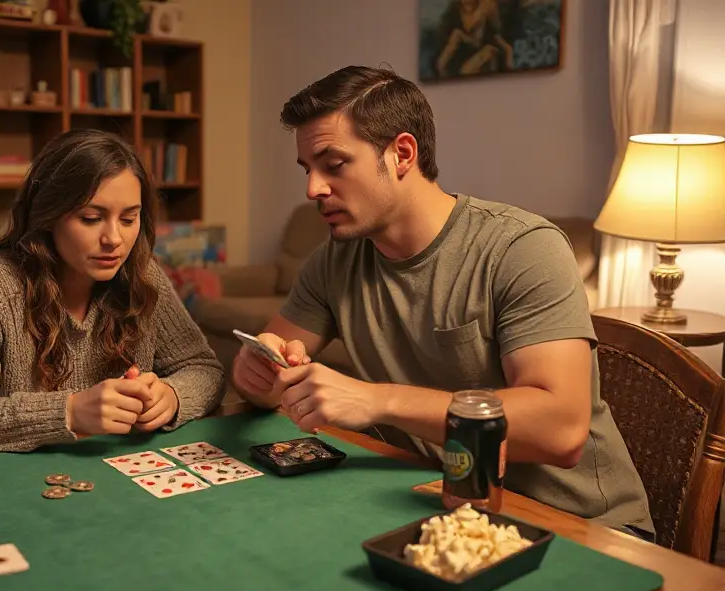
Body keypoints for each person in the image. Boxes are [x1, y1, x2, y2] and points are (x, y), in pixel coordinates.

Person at [231, 66, 654, 540]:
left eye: (334, 164)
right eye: (308, 169)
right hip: (441, 502)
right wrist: (259, 372)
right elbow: (272, 374)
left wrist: (378, 401)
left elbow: (561, 430)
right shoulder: (334, 260)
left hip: (578, 522)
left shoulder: (523, 247)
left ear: (402, 154)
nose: (313, 189)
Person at [0, 129, 225, 451]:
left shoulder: (142, 275)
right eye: (91, 218)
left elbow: (203, 369)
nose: (114, 239)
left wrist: (172, 396)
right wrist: (70, 412)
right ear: (48, 215)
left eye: (129, 219)